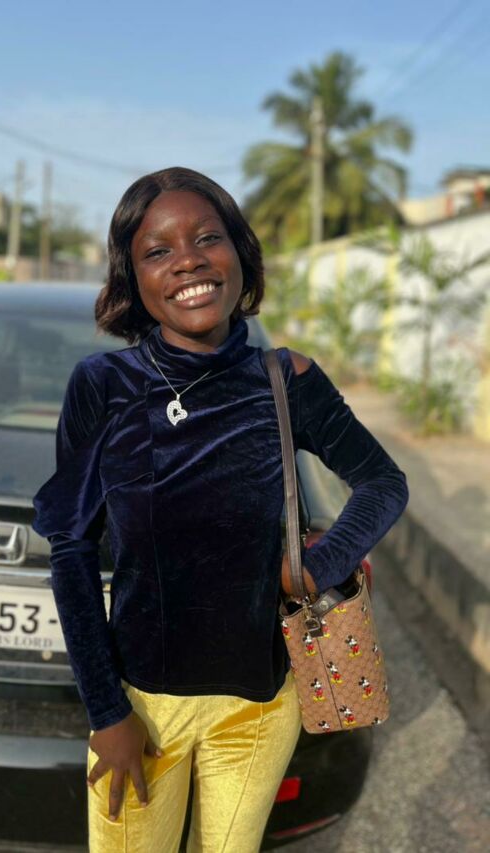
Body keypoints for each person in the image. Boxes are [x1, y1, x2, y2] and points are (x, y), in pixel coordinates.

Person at [31, 166, 409, 853]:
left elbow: (383, 482)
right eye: (158, 250)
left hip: (261, 708)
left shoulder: (287, 379)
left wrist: (319, 565)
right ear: (133, 278)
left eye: (208, 238)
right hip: (144, 710)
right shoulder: (104, 386)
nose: (188, 261)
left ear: (239, 251)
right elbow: (72, 552)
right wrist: (108, 714)